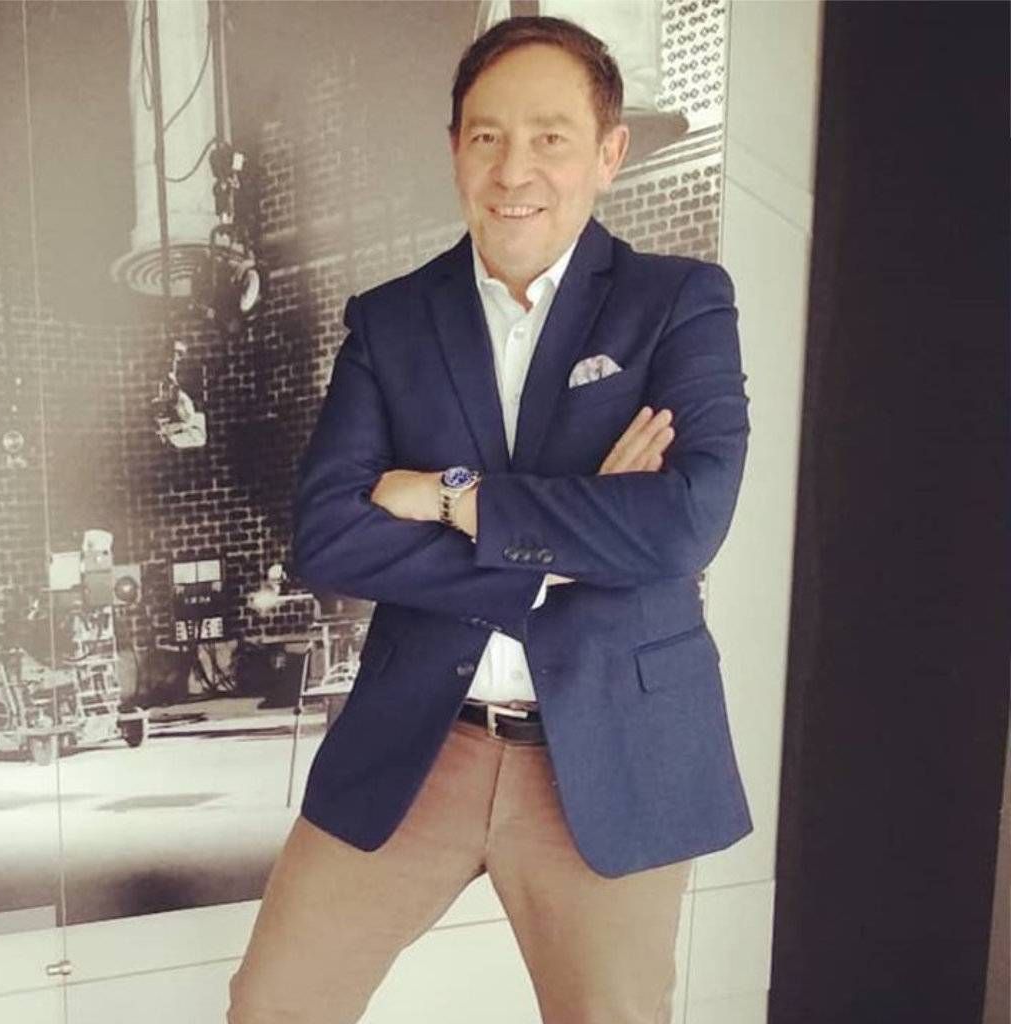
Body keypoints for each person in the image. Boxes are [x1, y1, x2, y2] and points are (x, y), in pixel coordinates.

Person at [228, 15, 751, 1024]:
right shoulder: (390, 320)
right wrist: (566, 545)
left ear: (608, 153)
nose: (515, 169)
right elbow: (328, 536)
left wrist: (449, 497)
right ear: (455, 151)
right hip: (420, 739)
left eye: (551, 137)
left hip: (610, 742)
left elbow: (684, 524)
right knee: (273, 1005)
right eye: (486, 136)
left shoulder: (679, 303)